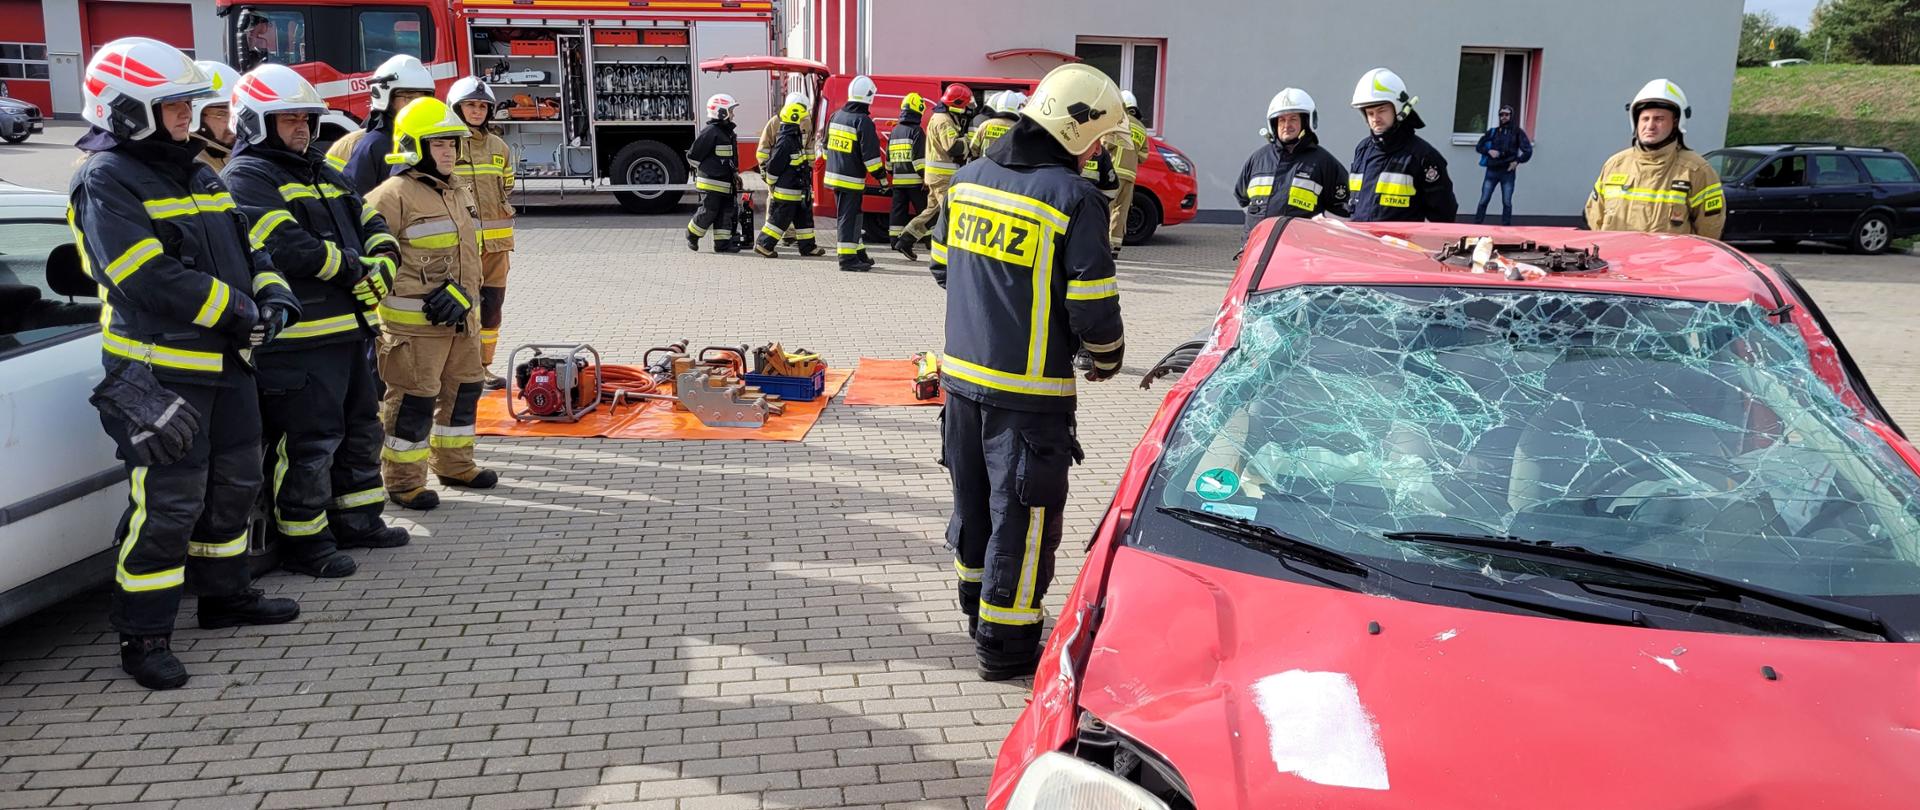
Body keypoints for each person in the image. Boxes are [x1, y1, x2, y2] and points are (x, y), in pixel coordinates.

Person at [69, 38, 304, 690]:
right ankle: (144, 634)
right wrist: (239, 310)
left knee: (235, 484)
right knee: (169, 505)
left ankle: (225, 596)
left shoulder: (196, 170)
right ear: (125, 109)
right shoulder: (105, 178)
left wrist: (273, 294)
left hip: (224, 364)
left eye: (186, 104)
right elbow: (144, 277)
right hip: (160, 374)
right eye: (171, 105)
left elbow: (250, 246)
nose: (186, 115)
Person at [928, 63, 1127, 681]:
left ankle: (976, 613)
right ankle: (1007, 647)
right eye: (1097, 139)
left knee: (974, 506)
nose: (1096, 152)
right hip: (1029, 399)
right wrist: (1107, 358)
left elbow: (941, 265)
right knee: (1024, 521)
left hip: (960, 385)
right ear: (1076, 129)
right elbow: (1092, 305)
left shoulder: (966, 181)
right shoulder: (1075, 199)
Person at [222, 63, 411, 579]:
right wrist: (355, 269)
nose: (303, 128)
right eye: (290, 119)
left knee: (360, 431)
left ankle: (359, 520)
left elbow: (371, 220)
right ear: (256, 122)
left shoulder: (321, 169)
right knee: (310, 443)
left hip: (349, 333)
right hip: (298, 344)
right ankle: (306, 541)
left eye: (306, 118)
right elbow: (285, 245)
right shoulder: (247, 176)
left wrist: (384, 261)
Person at [364, 98, 497, 509]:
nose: (448, 152)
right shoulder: (391, 195)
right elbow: (371, 260)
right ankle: (404, 482)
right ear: (413, 147)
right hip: (415, 330)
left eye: (452, 144)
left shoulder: (456, 189)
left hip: (461, 321)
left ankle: (456, 465)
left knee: (464, 391)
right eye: (438, 144)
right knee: (413, 403)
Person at [1585, 79, 1725, 238]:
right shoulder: (1615, 165)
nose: (1650, 126)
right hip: (1616, 254)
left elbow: (1709, 229)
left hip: (1667, 256)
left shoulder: (1696, 170)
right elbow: (1594, 216)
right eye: (1645, 119)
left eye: (1659, 119)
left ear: (1675, 123)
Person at [447, 77, 516, 388]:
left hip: (497, 247)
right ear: (456, 108)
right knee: (465, 308)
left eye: (482, 106)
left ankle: (484, 367)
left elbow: (507, 186)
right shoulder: (448, 145)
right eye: (470, 105)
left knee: (492, 308)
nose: (477, 111)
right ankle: (462, 369)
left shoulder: (499, 147)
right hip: (461, 249)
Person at [1235, 88, 1350, 237]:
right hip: (1258, 246)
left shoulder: (1324, 163)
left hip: (1299, 248)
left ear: (1306, 122)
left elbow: (1341, 210)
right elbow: (1242, 198)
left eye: (1293, 119)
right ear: (1274, 124)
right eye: (1282, 120)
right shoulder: (1258, 159)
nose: (1286, 125)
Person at [1347, 67, 1456, 223]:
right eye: (1370, 113)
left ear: (1398, 109)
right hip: (1361, 237)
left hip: (1400, 239)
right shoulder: (1363, 149)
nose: (1375, 118)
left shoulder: (1423, 156)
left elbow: (1444, 215)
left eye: (1381, 110)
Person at [326, 55, 436, 195]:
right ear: (386, 99)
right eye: (409, 98)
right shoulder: (373, 145)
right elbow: (355, 200)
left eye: (422, 98)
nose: (417, 105)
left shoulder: (432, 140)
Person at [895, 83, 975, 265]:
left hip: (938, 175)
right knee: (951, 213)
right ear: (956, 103)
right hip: (942, 176)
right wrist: (970, 140)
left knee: (932, 212)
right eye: (965, 105)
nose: (967, 109)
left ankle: (905, 240)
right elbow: (953, 147)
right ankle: (949, 254)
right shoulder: (944, 120)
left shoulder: (944, 117)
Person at [825, 76, 887, 271]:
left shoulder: (836, 116)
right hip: (850, 180)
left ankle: (858, 253)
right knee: (848, 218)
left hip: (835, 176)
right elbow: (871, 158)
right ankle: (847, 259)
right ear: (868, 96)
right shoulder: (863, 121)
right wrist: (882, 178)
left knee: (855, 216)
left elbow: (826, 147)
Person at [754, 102, 825, 259]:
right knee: (780, 219)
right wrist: (771, 183)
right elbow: (773, 167)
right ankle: (763, 244)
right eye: (802, 119)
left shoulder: (794, 139)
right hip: (787, 191)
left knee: (804, 218)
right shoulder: (785, 141)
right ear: (794, 119)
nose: (804, 122)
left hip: (797, 188)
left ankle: (808, 247)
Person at [685, 94, 742, 253]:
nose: (733, 115)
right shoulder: (711, 132)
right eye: (731, 111)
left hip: (726, 183)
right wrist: (709, 171)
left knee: (725, 213)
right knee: (709, 212)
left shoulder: (727, 132)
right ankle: (692, 234)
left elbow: (731, 159)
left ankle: (722, 244)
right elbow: (693, 156)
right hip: (711, 184)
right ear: (721, 112)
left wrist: (735, 174)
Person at [757, 90, 811, 245]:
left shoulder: (807, 122)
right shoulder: (775, 122)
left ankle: (790, 235)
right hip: (777, 172)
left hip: (796, 174)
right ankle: (769, 238)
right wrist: (764, 168)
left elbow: (809, 146)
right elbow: (763, 148)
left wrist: (808, 167)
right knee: (775, 203)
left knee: (796, 204)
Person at [1103, 91, 1150, 256]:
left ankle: (1101, 243)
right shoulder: (1141, 128)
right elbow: (1143, 156)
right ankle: (1115, 246)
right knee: (1121, 210)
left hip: (1114, 173)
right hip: (1130, 175)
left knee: (1106, 208)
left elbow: (1106, 144)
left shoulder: (1119, 121)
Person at [1473, 105, 1533, 225]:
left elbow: (1528, 150)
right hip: (1492, 170)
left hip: (1507, 171)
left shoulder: (1517, 132)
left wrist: (1517, 161)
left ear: (1511, 116)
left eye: (1506, 114)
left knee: (1507, 202)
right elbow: (1479, 146)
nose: (1504, 117)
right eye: (1501, 114)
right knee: (1484, 199)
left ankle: (1506, 228)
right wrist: (1488, 151)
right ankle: (1477, 225)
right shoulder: (1493, 132)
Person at [887, 92, 928, 251]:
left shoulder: (895, 131)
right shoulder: (917, 131)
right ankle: (929, 241)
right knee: (924, 212)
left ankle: (894, 241)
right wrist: (925, 178)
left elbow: (888, 162)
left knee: (897, 212)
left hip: (898, 181)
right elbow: (919, 161)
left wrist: (893, 174)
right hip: (915, 182)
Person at [189, 61, 242, 173]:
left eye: (237, 113)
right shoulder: (191, 169)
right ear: (194, 116)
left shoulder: (239, 157)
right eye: (222, 114)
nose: (233, 123)